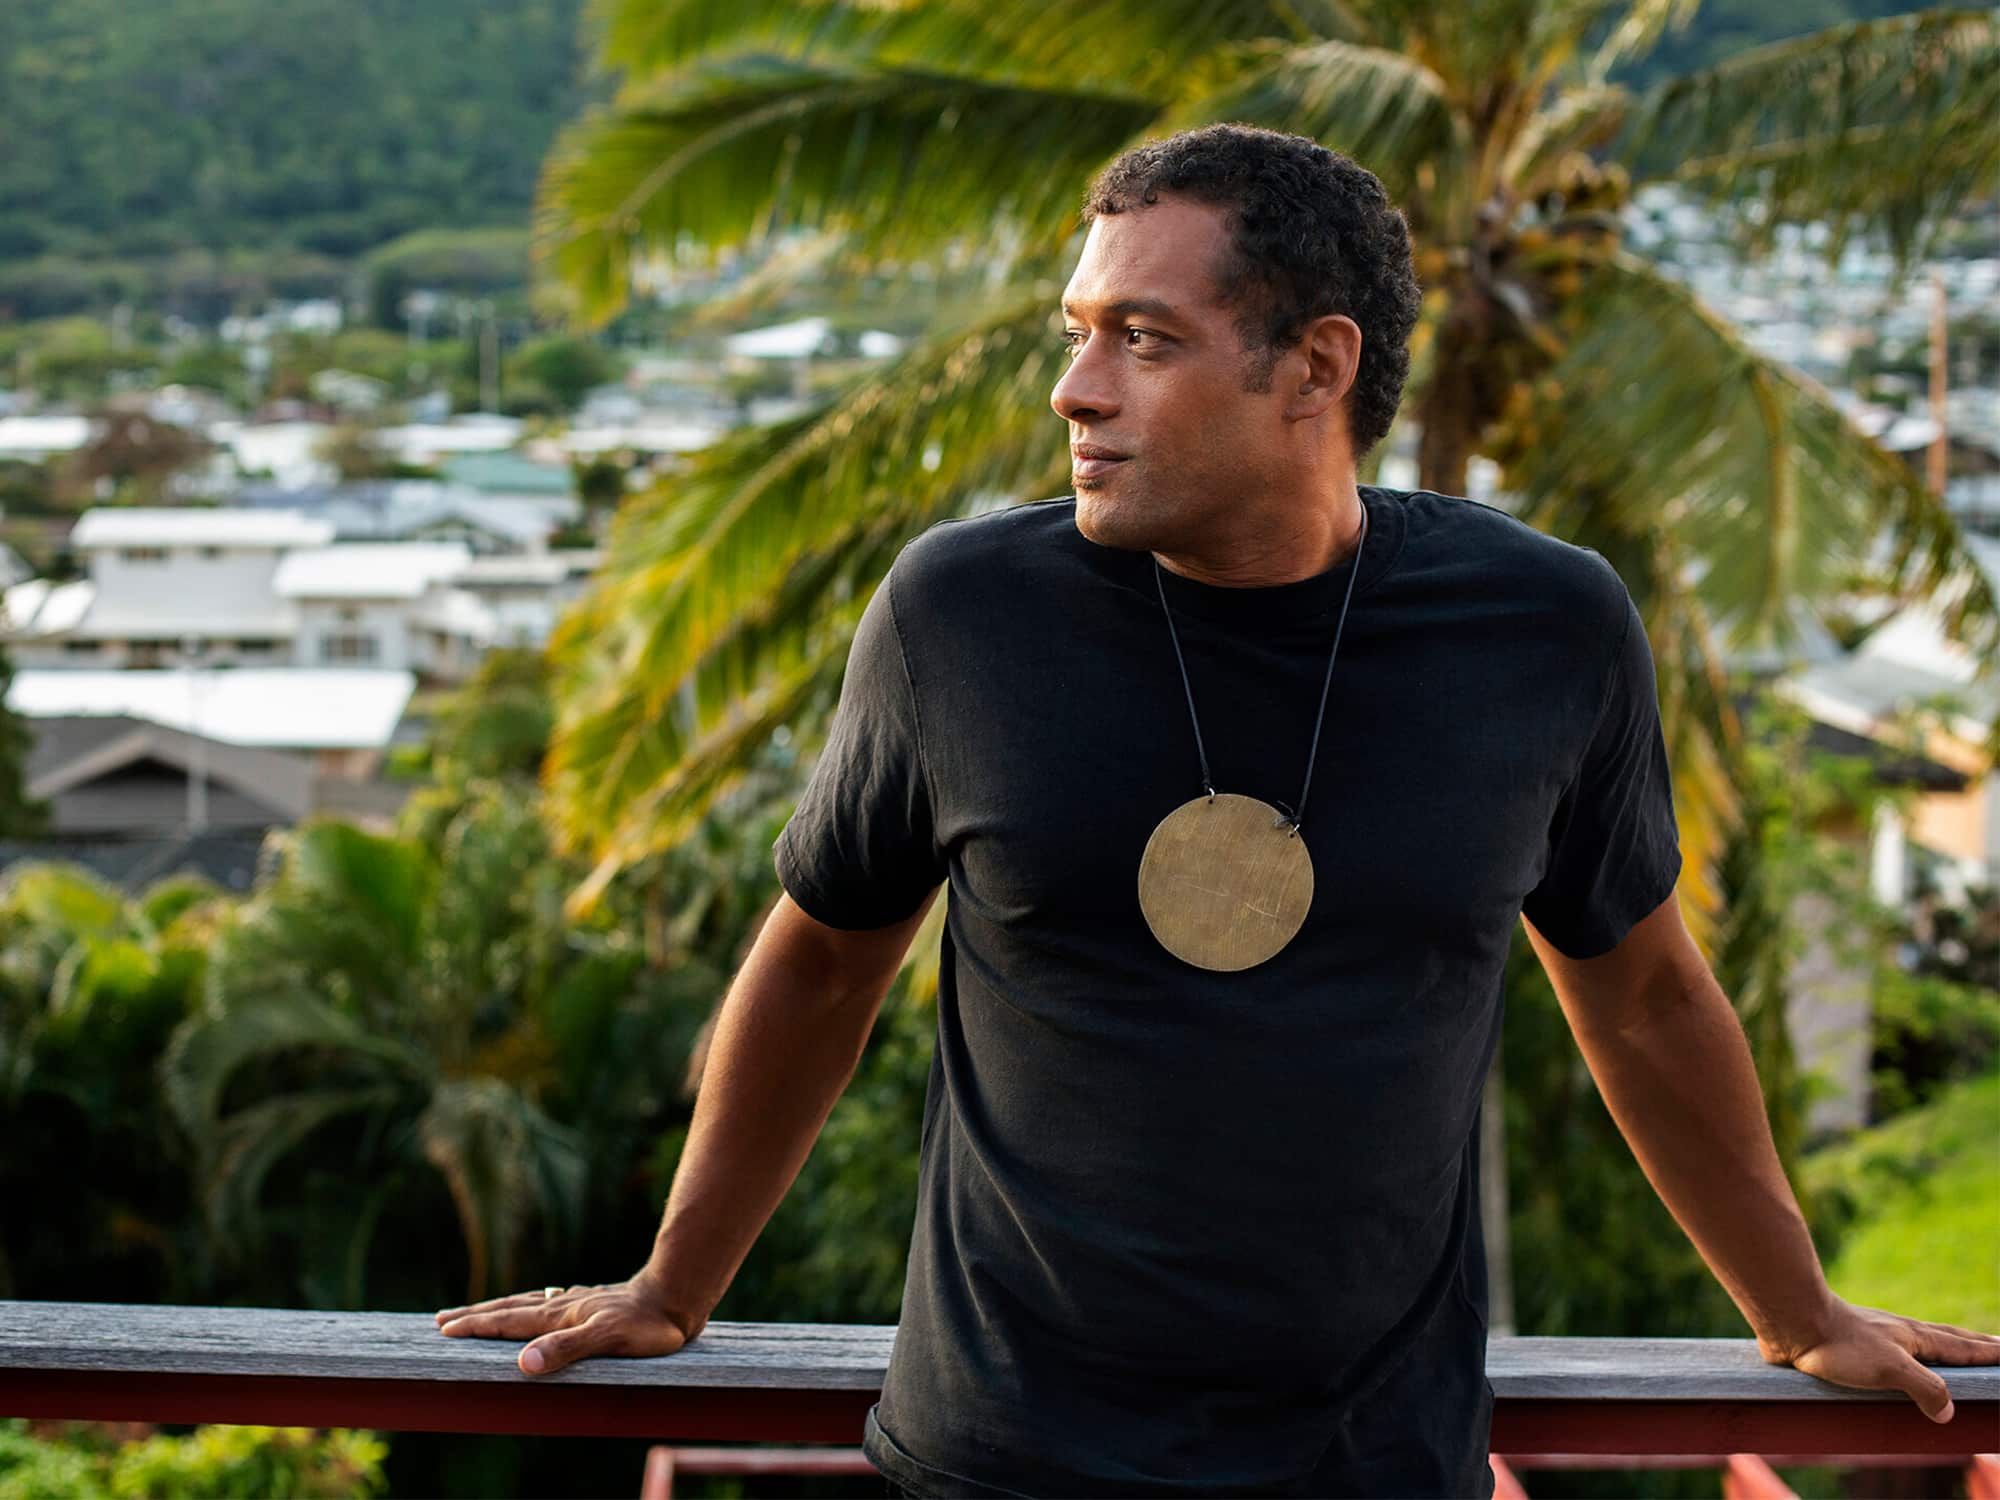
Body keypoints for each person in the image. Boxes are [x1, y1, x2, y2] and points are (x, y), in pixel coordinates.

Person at [436, 124, 2000, 1498]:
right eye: (1077, 331)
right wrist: (673, 1282)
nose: (1072, 388)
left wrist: (1799, 1313)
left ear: (1313, 367)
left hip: (1370, 1465)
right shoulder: (961, 617)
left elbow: (1649, 1001)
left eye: (1142, 339)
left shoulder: (1544, 630)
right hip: (1006, 1458)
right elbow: (823, 961)